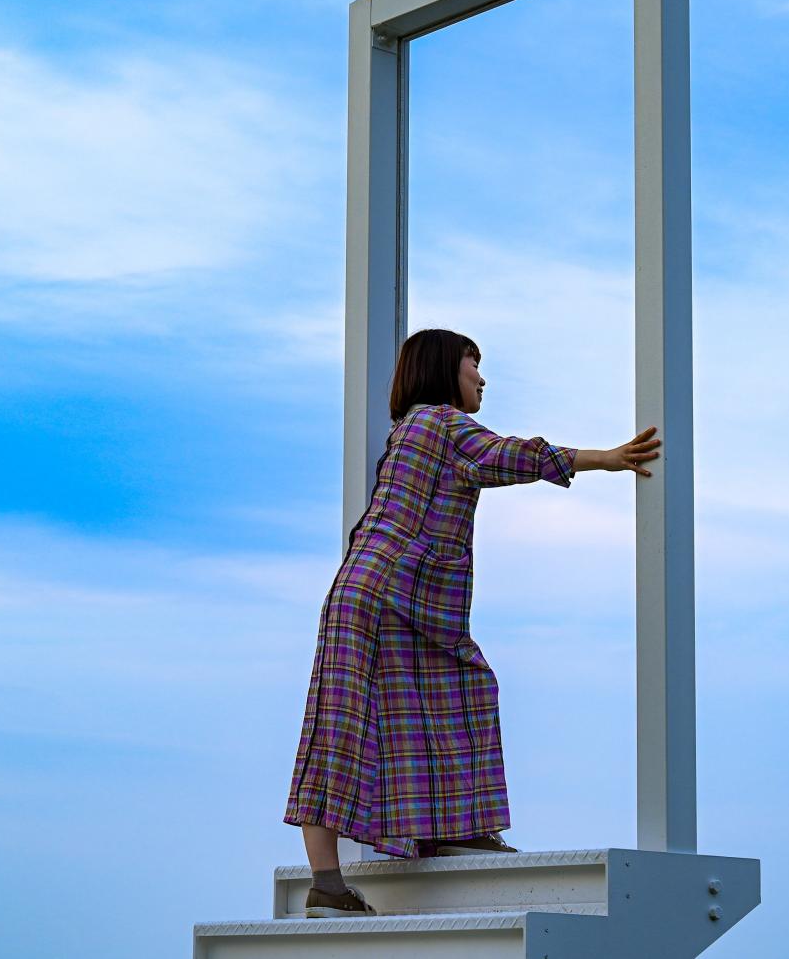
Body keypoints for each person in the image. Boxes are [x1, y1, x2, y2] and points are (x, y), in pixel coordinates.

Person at [281, 328, 663, 917]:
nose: (481, 379)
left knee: (346, 727)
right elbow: (515, 455)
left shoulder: (407, 431)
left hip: (372, 595)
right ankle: (452, 830)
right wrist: (604, 460)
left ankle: (335, 880)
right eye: (472, 365)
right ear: (443, 371)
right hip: (394, 598)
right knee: (461, 692)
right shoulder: (441, 424)